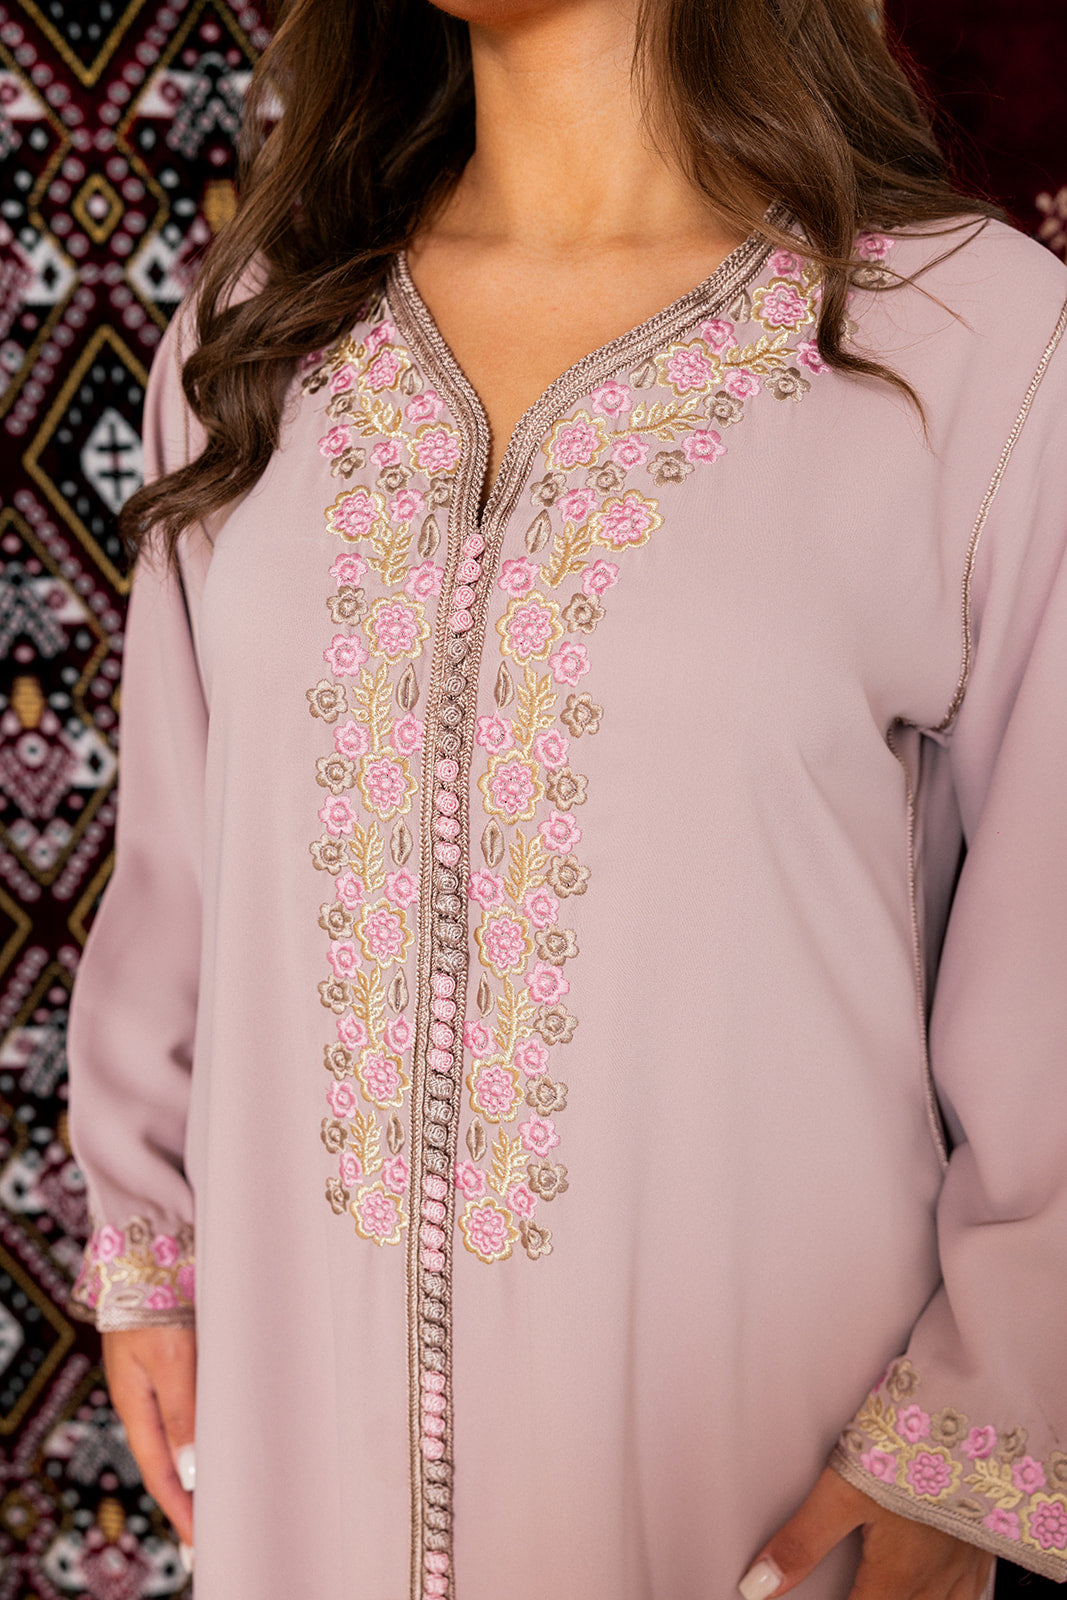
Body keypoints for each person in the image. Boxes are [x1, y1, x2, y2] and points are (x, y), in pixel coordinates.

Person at [63, 0, 1067, 1594]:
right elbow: (180, 874)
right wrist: (153, 1255)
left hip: (771, 1494)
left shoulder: (976, 347)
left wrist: (978, 1433)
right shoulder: (257, 338)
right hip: (303, 1467)